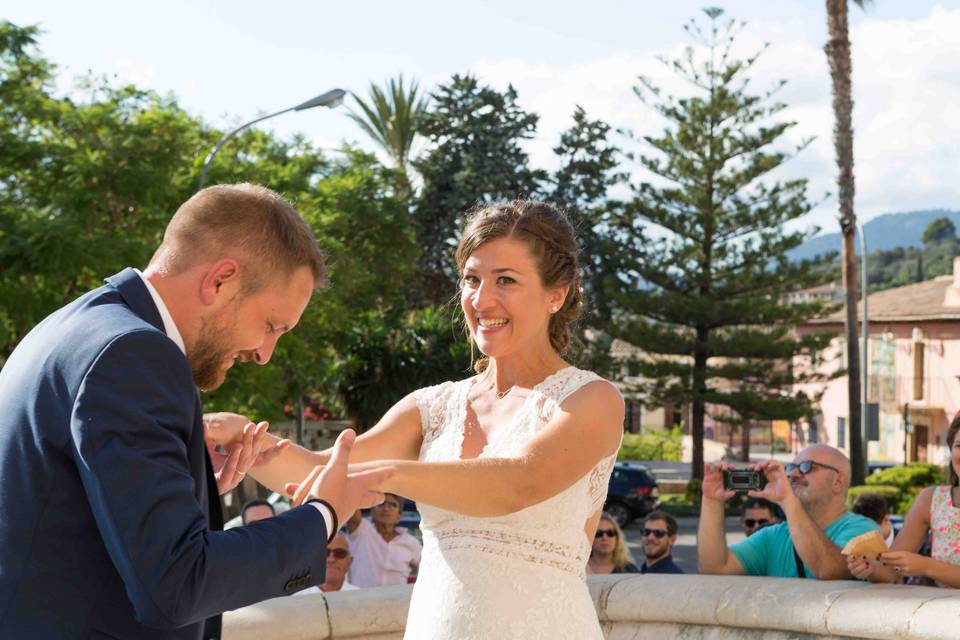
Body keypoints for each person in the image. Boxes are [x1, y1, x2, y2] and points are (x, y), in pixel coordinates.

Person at [207, 199, 625, 639]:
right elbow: (321, 472)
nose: (482, 299)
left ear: (556, 294)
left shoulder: (591, 399)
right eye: (471, 279)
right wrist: (240, 437)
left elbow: (517, 483)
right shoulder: (433, 406)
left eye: (506, 280)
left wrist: (388, 474)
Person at [0, 184, 391, 640]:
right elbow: (176, 584)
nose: (265, 353)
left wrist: (188, 479)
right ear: (220, 280)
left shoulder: (74, 325)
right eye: (271, 326)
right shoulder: (135, 353)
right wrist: (323, 514)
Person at [698, 444, 879, 579]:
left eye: (807, 467)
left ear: (838, 482)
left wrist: (787, 500)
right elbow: (715, 568)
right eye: (791, 468)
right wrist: (712, 501)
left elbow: (829, 570)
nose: (793, 475)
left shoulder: (863, 530)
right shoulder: (774, 536)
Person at [848, 415, 960, 588]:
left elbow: (922, 566)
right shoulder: (932, 500)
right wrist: (869, 568)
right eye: (959, 445)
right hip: (939, 614)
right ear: (951, 450)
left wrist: (926, 566)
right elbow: (891, 571)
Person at [346, 498, 422, 587]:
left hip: (398, 599)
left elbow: (429, 567)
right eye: (381, 503)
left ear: (398, 517)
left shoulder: (411, 542)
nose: (386, 508)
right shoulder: (361, 530)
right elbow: (350, 504)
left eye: (393, 505)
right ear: (372, 512)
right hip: (361, 599)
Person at [294, 532, 359, 595]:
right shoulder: (294, 601)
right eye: (324, 553)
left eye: (340, 553)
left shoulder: (364, 599)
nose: (331, 560)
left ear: (350, 562)